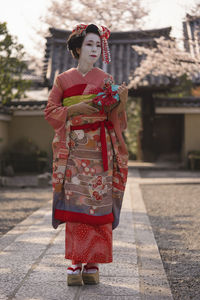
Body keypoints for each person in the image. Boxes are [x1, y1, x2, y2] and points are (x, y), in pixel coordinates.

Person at [44, 23, 128, 286]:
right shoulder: (63, 79)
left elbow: (117, 119)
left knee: (98, 204)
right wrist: (74, 109)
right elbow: (50, 111)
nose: (95, 49)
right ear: (78, 48)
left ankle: (92, 263)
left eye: (98, 45)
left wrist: (121, 103)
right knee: (77, 204)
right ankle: (74, 261)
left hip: (100, 149)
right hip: (74, 151)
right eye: (89, 44)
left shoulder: (106, 79)